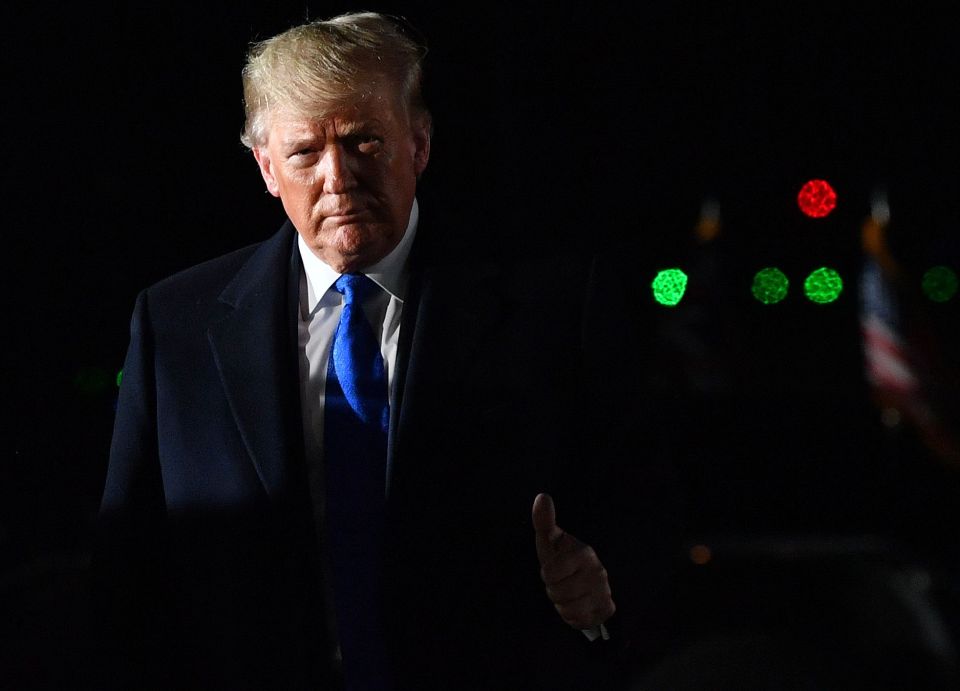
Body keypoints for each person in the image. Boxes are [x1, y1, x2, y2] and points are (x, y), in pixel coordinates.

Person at [95, 12, 679, 690]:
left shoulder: (551, 310)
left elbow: (646, 515)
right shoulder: (177, 325)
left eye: (365, 141)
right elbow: (127, 574)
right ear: (265, 168)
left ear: (420, 144)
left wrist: (600, 581)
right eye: (305, 152)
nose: (338, 177)